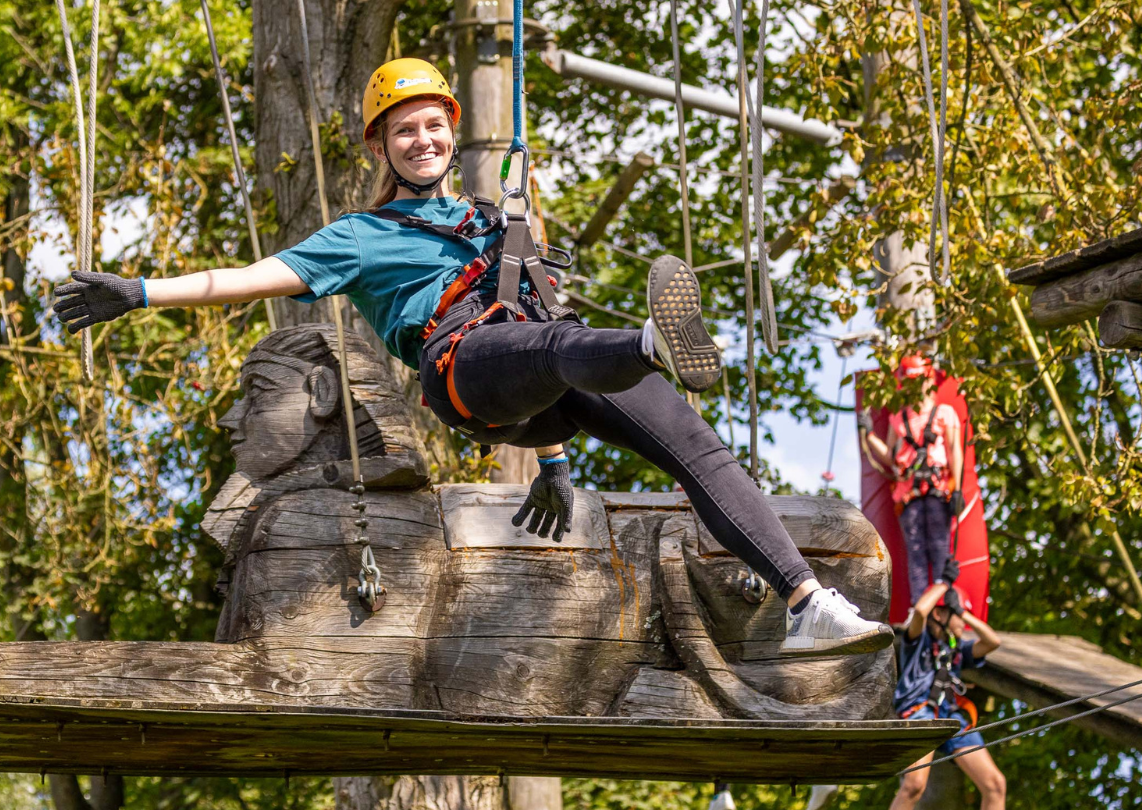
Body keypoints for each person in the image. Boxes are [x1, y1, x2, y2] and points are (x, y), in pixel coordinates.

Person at [52, 57, 892, 657]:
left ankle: (807, 602)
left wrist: (557, 467)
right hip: (465, 372)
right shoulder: (361, 237)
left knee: (695, 446)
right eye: (403, 131)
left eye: (432, 126)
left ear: (451, 135)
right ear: (380, 147)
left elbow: (536, 315)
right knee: (561, 346)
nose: (421, 140)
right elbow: (251, 277)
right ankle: (648, 342)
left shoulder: (499, 220)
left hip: (544, 368)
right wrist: (141, 291)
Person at [890, 573, 1006, 810]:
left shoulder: (957, 649)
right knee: (914, 786)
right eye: (959, 616)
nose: (964, 623)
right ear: (940, 614)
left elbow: (992, 642)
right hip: (919, 713)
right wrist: (943, 583)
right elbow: (921, 612)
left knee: (995, 785)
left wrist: (962, 612)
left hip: (950, 716)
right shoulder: (917, 640)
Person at [858, 355, 966, 603]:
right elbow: (890, 457)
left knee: (940, 552)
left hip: (938, 493)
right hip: (909, 497)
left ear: (928, 380)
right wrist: (870, 434)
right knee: (916, 556)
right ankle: (919, 615)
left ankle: (943, 612)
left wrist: (957, 489)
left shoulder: (944, 413)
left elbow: (954, 450)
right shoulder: (899, 418)